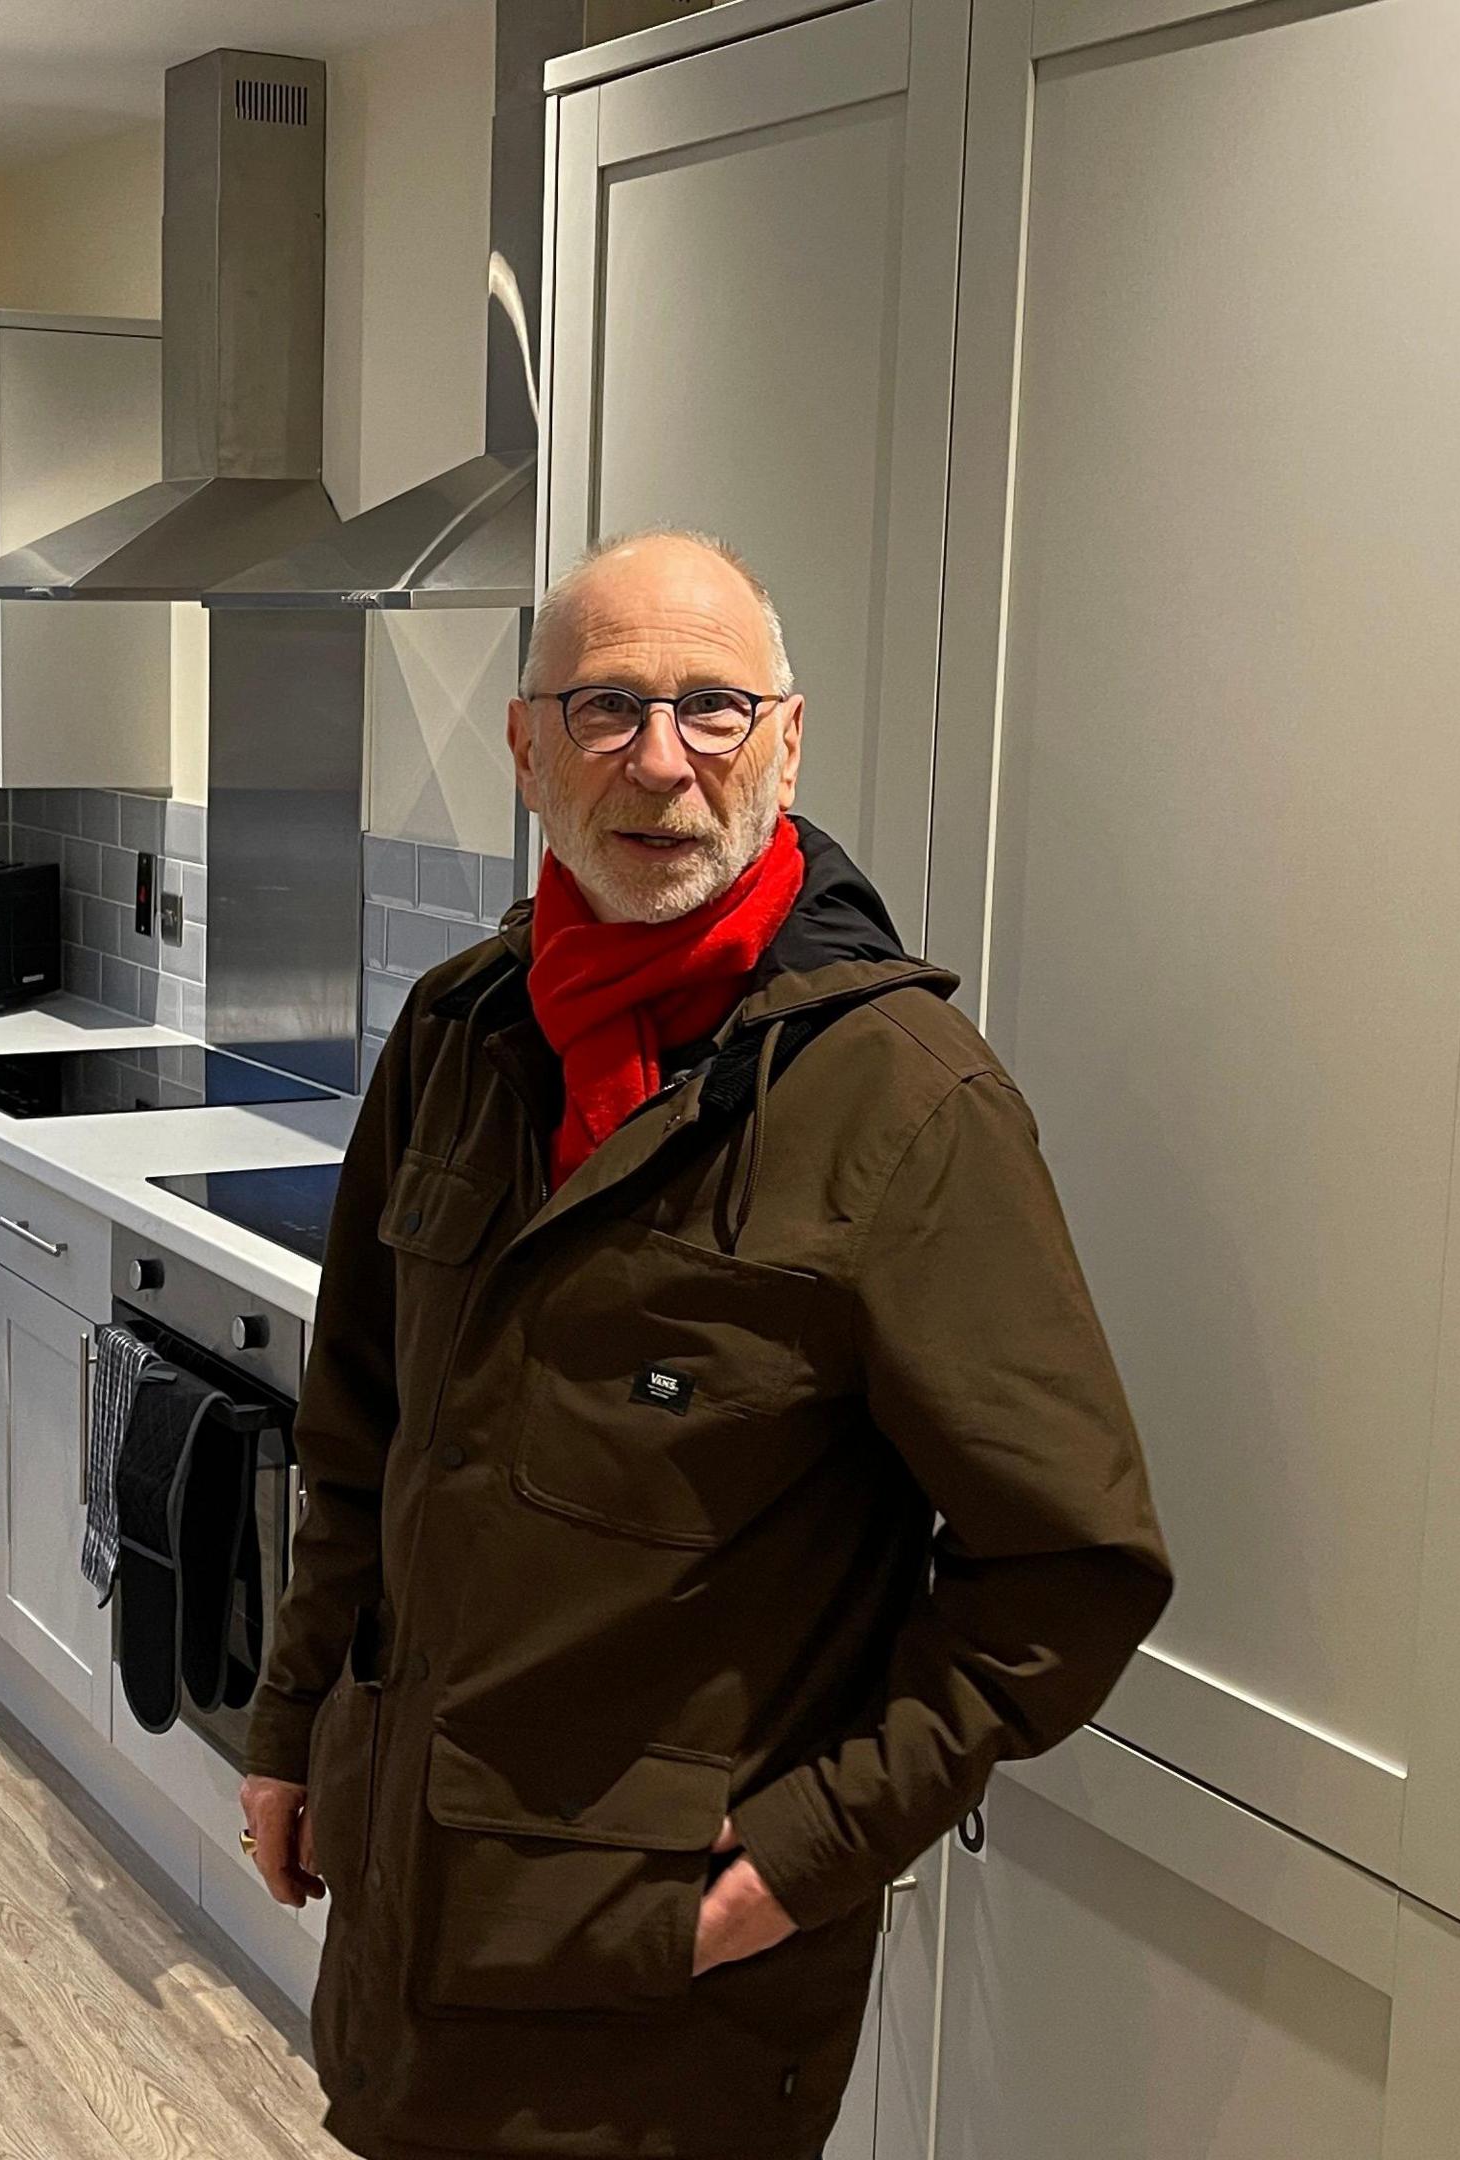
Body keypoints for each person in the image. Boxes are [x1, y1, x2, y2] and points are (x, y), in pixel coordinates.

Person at [236, 529, 1173, 2159]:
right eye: (605, 708)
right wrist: (292, 1716)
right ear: (527, 749)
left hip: (665, 1998)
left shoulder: (903, 1104)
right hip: (409, 1916)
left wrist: (807, 1853)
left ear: (786, 744)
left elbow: (1070, 1572)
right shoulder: (460, 1035)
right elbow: (359, 1433)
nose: (661, 763)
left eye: (714, 710)